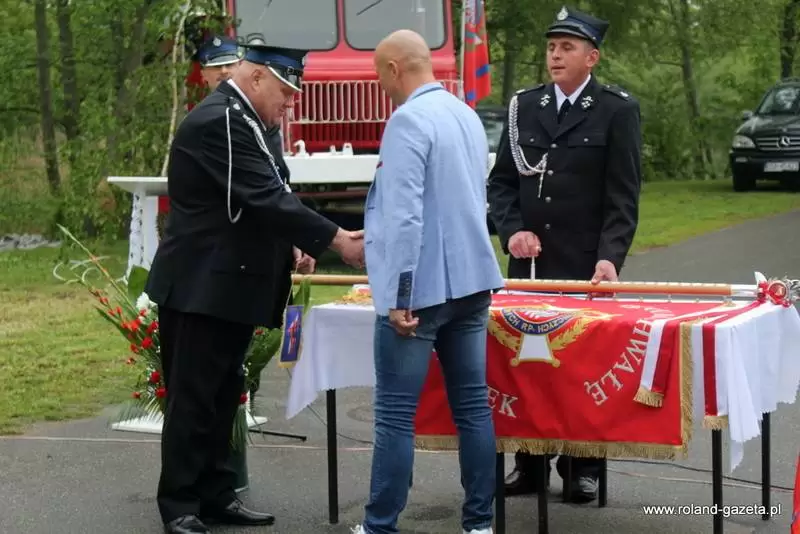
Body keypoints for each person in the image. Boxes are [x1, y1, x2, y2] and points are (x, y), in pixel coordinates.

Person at [145, 42, 365, 534]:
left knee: (225, 396)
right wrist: (337, 240)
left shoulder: (249, 120)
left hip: (230, 285)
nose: (290, 103)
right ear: (257, 78)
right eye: (285, 92)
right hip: (202, 286)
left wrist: (294, 240)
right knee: (194, 398)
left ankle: (217, 493)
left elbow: (270, 193)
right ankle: (180, 503)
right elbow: (263, 195)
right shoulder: (221, 121)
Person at [487, 5, 642, 504]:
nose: (555, 55)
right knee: (526, 363)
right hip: (530, 265)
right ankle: (529, 463)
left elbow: (623, 197)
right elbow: (501, 185)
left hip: (586, 265)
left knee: (583, 366)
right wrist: (512, 230)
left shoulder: (616, 110)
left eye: (567, 47)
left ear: (591, 57)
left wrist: (610, 258)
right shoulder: (523, 106)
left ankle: (583, 466)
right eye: (552, 47)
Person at [352, 29, 504, 534]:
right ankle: (479, 523)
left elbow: (405, 217)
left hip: (421, 290)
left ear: (394, 68)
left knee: (395, 416)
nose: (380, 85)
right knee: (473, 407)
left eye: (379, 74)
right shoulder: (465, 114)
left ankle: (380, 526)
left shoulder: (407, 120)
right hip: (472, 280)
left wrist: (399, 294)